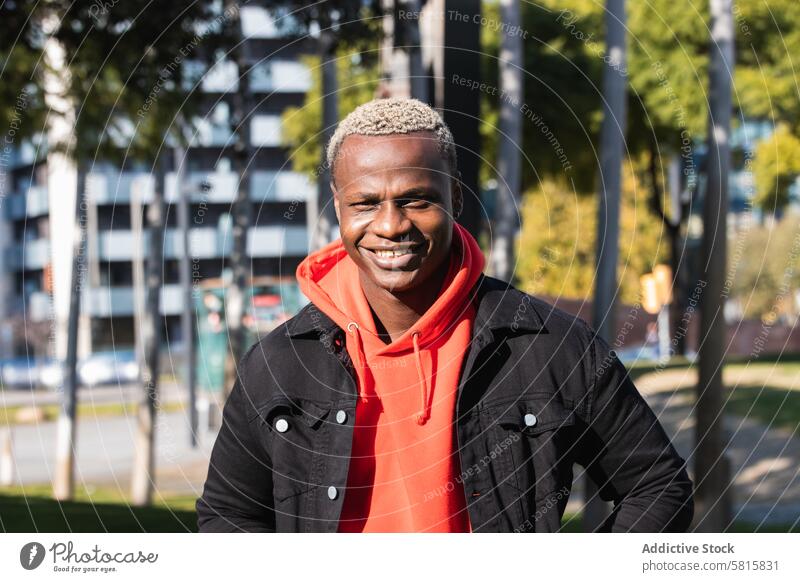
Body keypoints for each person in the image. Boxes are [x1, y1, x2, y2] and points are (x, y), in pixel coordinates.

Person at [196, 97, 694, 533]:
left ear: (456, 196)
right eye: (365, 203)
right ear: (339, 210)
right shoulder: (278, 362)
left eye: (416, 198)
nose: (390, 225)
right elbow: (228, 515)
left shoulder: (550, 345)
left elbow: (658, 488)